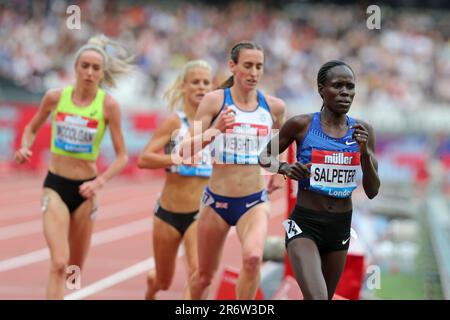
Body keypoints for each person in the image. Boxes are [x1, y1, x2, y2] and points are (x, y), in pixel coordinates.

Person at [14, 35, 133, 299]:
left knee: (74, 269)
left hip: (86, 192)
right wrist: (25, 146)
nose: (89, 73)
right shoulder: (55, 97)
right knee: (58, 263)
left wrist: (99, 182)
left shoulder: (108, 105)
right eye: (85, 66)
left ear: (102, 73)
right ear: (75, 68)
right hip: (55, 185)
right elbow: (31, 128)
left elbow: (122, 156)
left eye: (95, 68)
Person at [259, 60, 380, 300]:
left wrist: (364, 152)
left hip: (340, 228)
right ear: (321, 89)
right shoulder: (301, 124)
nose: (345, 92)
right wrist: (285, 168)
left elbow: (372, 190)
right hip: (305, 225)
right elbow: (264, 156)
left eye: (350, 86)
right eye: (337, 85)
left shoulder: (363, 131)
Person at [182, 41, 286, 300]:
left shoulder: (273, 107)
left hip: (254, 201)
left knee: (252, 259)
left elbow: (282, 141)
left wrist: (279, 171)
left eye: (259, 67)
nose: (253, 72)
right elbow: (185, 149)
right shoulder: (214, 101)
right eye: (248, 65)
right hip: (216, 201)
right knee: (204, 276)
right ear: (233, 66)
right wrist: (215, 130)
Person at [137, 60, 214, 299]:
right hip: (168, 213)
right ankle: (152, 283)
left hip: (200, 213)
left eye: (205, 82)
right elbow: (144, 159)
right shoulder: (174, 123)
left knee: (198, 276)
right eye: (195, 82)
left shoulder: (216, 124)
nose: (201, 87)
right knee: (163, 280)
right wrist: (175, 159)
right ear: (183, 87)